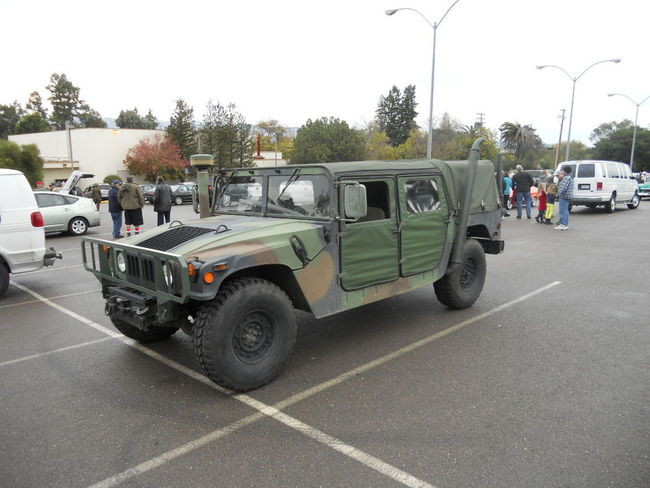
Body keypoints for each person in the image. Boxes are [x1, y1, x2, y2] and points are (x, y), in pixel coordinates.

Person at [555, 166, 574, 231]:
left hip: (564, 196)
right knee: (565, 210)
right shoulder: (570, 177)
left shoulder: (567, 177)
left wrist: (558, 193)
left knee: (563, 211)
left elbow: (563, 188)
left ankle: (563, 224)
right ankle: (565, 224)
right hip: (567, 196)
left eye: (562, 170)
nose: (561, 171)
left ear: (565, 171)